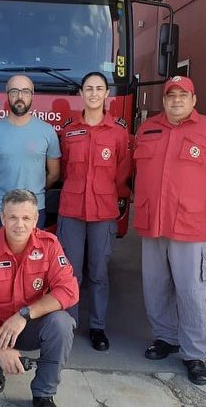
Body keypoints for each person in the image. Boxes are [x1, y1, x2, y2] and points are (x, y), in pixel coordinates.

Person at [133, 76, 206, 386]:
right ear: (164, 100)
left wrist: (205, 196)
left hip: (190, 225)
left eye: (184, 96)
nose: (177, 101)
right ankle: (164, 337)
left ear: (194, 100)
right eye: (171, 96)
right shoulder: (148, 128)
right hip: (152, 221)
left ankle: (194, 353)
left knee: (191, 290)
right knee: (155, 285)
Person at [0, 189, 79, 407]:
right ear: (2, 218)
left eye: (26, 218)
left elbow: (69, 290)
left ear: (35, 220)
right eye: (13, 217)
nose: (19, 224)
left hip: (28, 326)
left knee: (62, 323)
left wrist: (24, 315)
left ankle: (44, 393)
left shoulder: (49, 245)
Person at [56, 71, 131, 351]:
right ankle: (70, 325)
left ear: (106, 94)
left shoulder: (118, 132)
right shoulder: (68, 130)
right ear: (81, 94)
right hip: (72, 210)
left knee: (99, 272)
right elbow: (62, 168)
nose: (94, 93)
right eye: (89, 88)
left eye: (100, 88)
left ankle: (98, 327)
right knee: (70, 273)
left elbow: (123, 172)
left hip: (103, 211)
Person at [0, 75, 61, 231]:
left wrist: (34, 190)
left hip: (33, 210)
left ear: (32, 95)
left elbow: (54, 174)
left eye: (25, 91)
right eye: (14, 91)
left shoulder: (47, 131)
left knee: (32, 255)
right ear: (7, 95)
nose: (20, 97)